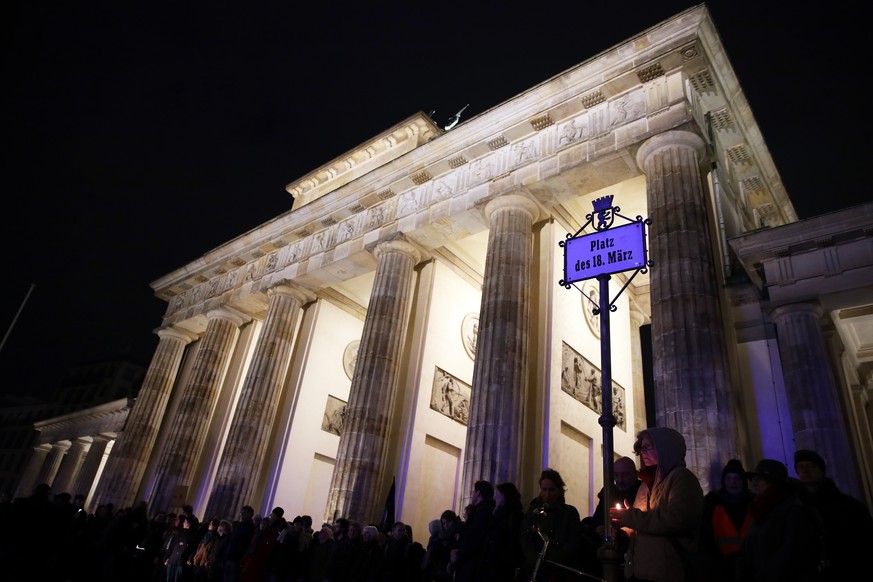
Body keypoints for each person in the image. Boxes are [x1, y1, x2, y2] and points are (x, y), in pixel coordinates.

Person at [609, 427, 704, 582]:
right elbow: (639, 524)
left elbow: (676, 520)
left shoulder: (682, 479)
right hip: (640, 571)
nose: (642, 451)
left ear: (665, 447)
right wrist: (623, 531)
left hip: (667, 572)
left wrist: (631, 516)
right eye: (642, 447)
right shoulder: (644, 485)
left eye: (648, 446)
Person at [736, 458, 823, 581]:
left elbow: (793, 557)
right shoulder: (759, 512)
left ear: (774, 483)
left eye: (760, 479)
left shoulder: (794, 513)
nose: (754, 483)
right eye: (753, 479)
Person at [793, 449, 873, 581]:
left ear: (821, 470)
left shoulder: (849, 507)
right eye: (800, 467)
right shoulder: (795, 508)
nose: (805, 470)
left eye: (810, 466)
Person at [519, 468, 585, 581]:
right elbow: (524, 537)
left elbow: (573, 541)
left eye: (552, 490)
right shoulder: (533, 511)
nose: (547, 494)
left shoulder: (569, 513)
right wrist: (535, 560)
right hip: (533, 569)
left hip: (559, 571)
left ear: (559, 490)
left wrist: (552, 561)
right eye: (544, 489)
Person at [582, 456, 641, 578]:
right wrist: (600, 529)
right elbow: (596, 521)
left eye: (625, 475)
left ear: (635, 474)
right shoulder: (608, 491)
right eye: (616, 475)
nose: (620, 480)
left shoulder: (642, 491)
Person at [700, 459, 753, 582]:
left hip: (752, 566)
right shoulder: (712, 505)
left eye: (737, 478)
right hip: (721, 565)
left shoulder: (754, 504)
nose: (733, 482)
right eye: (729, 478)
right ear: (724, 481)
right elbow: (706, 535)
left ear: (743, 482)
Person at [450, 480, 496, 582]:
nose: (472, 495)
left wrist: (458, 553)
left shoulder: (481, 512)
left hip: (470, 566)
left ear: (478, 493)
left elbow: (473, 538)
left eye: (473, 492)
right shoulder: (486, 511)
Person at [482, 481, 524, 582]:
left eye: (497, 494)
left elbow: (513, 544)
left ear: (505, 497)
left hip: (502, 570)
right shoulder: (498, 515)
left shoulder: (515, 516)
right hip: (492, 567)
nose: (494, 498)